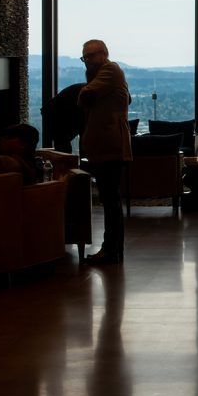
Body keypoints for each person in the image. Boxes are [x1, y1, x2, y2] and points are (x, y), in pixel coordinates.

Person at [78, 39, 133, 265]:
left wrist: (84, 91)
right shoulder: (108, 74)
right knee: (110, 199)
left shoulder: (110, 69)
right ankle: (112, 249)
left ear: (105, 54)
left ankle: (110, 250)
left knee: (110, 200)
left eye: (91, 56)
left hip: (110, 146)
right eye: (85, 57)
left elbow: (86, 97)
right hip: (106, 146)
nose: (88, 61)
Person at [41, 83, 86, 153]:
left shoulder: (86, 88)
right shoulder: (90, 91)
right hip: (55, 114)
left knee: (63, 146)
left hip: (53, 112)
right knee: (63, 146)